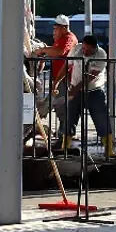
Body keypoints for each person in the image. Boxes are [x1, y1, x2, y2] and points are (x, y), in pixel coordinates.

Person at [31, 15, 78, 144]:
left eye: (56, 28)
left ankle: (65, 139)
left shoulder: (68, 38)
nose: (54, 31)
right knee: (59, 108)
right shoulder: (60, 39)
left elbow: (60, 52)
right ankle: (63, 137)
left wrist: (43, 50)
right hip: (59, 79)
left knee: (62, 108)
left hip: (66, 80)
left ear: (64, 28)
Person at [64, 35, 114, 157]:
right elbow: (66, 66)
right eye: (84, 48)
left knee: (101, 120)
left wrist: (74, 90)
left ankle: (109, 150)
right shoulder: (76, 49)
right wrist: (57, 83)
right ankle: (65, 148)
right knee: (70, 119)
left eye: (88, 50)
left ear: (95, 48)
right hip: (76, 89)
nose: (85, 51)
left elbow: (91, 76)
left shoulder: (101, 54)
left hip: (95, 91)